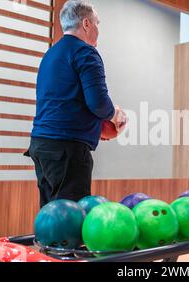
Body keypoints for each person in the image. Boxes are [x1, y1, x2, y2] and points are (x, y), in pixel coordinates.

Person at [27, 0, 126, 207]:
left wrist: (91, 128)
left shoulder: (51, 54)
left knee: (51, 217)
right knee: (69, 221)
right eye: (97, 24)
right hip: (67, 150)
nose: (98, 30)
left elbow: (64, 101)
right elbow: (98, 103)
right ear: (87, 23)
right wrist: (115, 114)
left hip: (41, 145)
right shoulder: (85, 52)